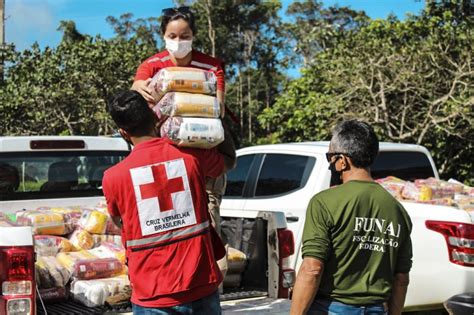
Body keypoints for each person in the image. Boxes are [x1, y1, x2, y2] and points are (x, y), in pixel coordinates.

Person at [102, 90, 235, 314]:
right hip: (200, 283)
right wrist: (216, 115)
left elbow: (118, 221)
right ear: (155, 118)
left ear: (123, 133)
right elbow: (228, 161)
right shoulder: (192, 158)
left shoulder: (114, 177)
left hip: (152, 292)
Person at [131, 5, 234, 280]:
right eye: (172, 35)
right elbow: (137, 98)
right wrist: (137, 87)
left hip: (206, 167)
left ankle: (211, 292)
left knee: (209, 232)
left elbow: (218, 109)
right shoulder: (151, 66)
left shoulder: (212, 67)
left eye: (184, 35)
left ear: (194, 35)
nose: (179, 41)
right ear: (163, 36)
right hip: (166, 170)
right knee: (173, 232)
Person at [290, 120, 413, 315]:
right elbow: (401, 279)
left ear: (343, 161)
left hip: (331, 308)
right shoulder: (398, 211)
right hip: (377, 309)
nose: (330, 163)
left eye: (329, 157)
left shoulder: (324, 202)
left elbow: (312, 269)